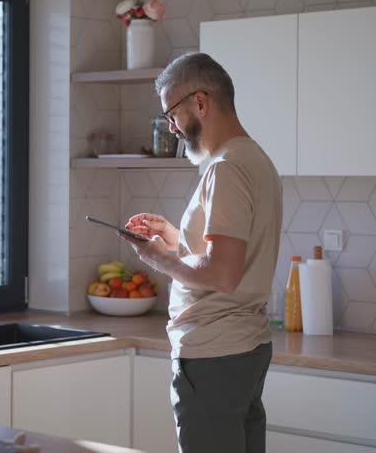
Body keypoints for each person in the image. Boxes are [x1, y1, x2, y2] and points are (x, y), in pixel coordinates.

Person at [121, 52, 283, 453]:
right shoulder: (256, 160)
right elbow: (229, 255)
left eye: (171, 114)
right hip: (245, 348)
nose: (172, 127)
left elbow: (222, 274)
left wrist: (159, 258)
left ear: (200, 102)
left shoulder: (225, 168)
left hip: (213, 353)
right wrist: (176, 239)